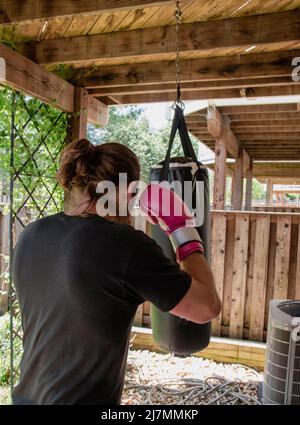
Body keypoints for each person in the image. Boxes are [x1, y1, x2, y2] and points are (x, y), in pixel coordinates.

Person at [12, 138, 221, 405]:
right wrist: (183, 231)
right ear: (127, 192)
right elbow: (206, 307)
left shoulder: (31, 234)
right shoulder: (124, 245)